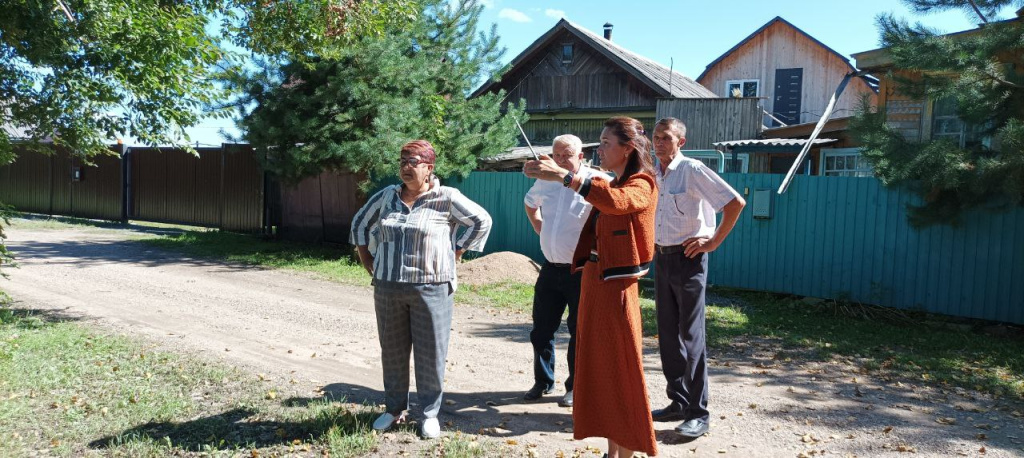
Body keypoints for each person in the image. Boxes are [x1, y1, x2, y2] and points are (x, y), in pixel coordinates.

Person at [523, 117, 658, 458]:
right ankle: (612, 452)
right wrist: (556, 177)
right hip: (595, 281)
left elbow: (617, 203)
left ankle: (625, 451)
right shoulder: (612, 181)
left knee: (620, 371)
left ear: (628, 149)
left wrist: (564, 176)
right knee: (602, 369)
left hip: (616, 288)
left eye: (606, 142)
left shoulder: (641, 183)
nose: (599, 148)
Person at [349, 140, 492, 439]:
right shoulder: (387, 197)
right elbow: (360, 223)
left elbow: (481, 221)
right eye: (402, 160)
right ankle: (393, 409)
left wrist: (459, 251)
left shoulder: (446, 197)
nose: (405, 166)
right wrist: (367, 260)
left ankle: (428, 414)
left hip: (433, 288)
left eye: (413, 161)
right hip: (388, 287)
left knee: (431, 353)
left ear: (429, 167)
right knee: (393, 351)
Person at [648, 117, 746, 438]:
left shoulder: (692, 170)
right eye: (656, 137)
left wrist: (713, 242)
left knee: (691, 338)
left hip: (689, 260)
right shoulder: (655, 174)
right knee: (667, 335)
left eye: (666, 138)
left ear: (681, 142)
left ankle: (698, 413)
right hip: (662, 259)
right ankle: (678, 401)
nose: (659, 143)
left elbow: (734, 203)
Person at [522, 134, 609, 407]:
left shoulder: (596, 181)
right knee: (541, 330)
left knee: (578, 331)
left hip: (581, 270)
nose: (560, 160)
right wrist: (538, 226)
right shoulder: (545, 179)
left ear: (581, 156)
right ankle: (543, 381)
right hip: (550, 268)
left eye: (567, 155)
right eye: (556, 154)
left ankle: (574, 387)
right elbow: (530, 202)